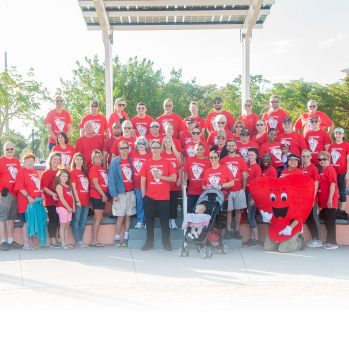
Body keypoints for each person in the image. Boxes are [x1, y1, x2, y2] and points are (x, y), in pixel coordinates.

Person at [140, 140, 177, 251]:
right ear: (151, 149)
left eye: (157, 147)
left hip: (164, 197)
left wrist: (161, 177)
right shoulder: (147, 163)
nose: (155, 149)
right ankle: (149, 243)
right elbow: (142, 181)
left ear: (161, 149)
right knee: (149, 221)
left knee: (164, 221)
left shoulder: (167, 162)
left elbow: (174, 178)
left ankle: (166, 243)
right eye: (153, 147)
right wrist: (143, 196)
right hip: (149, 197)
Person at [109, 141, 137, 248]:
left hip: (130, 192)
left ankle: (126, 238)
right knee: (120, 217)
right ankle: (117, 238)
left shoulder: (131, 160)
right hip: (120, 194)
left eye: (126, 148)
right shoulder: (115, 163)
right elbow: (111, 180)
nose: (124, 150)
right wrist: (113, 194)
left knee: (128, 216)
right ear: (119, 149)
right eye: (122, 148)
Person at [220, 139, 248, 240]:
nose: (231, 147)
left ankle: (236, 230)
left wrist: (243, 190)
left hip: (239, 189)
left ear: (236, 147)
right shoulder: (223, 160)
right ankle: (228, 231)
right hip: (228, 191)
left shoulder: (241, 160)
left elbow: (244, 175)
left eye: (233, 145)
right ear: (226, 147)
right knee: (228, 211)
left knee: (238, 210)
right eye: (229, 146)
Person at [15, 153, 43, 251]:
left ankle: (31, 243)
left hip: (35, 203)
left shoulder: (35, 172)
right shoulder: (21, 172)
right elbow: (20, 187)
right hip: (25, 203)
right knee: (26, 223)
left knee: (32, 223)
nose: (30, 163)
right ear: (24, 162)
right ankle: (25, 244)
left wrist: (40, 195)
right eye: (28, 161)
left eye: (32, 161)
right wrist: (28, 197)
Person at [0, 142, 22, 251]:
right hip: (4, 193)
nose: (9, 150)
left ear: (14, 150)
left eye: (11, 148)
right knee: (2, 218)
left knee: (11, 219)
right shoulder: (1, 161)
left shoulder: (16, 161)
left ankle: (10, 240)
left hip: (15, 193)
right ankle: (2, 241)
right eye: (7, 149)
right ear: (4, 150)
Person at [129, 137, 152, 229]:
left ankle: (148, 221)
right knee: (139, 202)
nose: (141, 145)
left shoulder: (150, 154)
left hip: (149, 184)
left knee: (148, 203)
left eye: (143, 144)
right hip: (137, 185)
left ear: (146, 145)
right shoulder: (132, 154)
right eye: (139, 143)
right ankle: (140, 221)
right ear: (136, 145)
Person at [300, 149, 322, 248]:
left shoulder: (313, 168)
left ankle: (318, 240)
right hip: (303, 198)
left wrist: (313, 196)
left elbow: (316, 183)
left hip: (311, 198)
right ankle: (314, 239)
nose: (305, 158)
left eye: (307, 156)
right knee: (308, 219)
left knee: (313, 217)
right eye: (304, 156)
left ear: (311, 157)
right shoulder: (300, 168)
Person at [161, 136, 183, 230]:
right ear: (163, 144)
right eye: (165, 142)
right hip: (165, 184)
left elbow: (180, 168)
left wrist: (180, 179)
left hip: (175, 183)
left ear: (172, 143)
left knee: (173, 202)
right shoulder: (161, 155)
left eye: (169, 142)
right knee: (165, 203)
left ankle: (173, 220)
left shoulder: (176, 155)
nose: (167, 144)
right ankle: (166, 221)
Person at [317, 151, 339, 249]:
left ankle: (333, 242)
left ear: (328, 159)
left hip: (329, 201)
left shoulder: (330, 169)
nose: (322, 161)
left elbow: (332, 185)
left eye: (324, 159)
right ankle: (328, 241)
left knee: (330, 223)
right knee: (326, 222)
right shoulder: (322, 171)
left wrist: (330, 199)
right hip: (324, 202)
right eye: (320, 159)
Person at [41, 151, 62, 248]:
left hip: (60, 201)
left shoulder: (60, 172)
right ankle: (53, 241)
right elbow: (44, 187)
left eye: (58, 159)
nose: (56, 161)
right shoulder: (46, 173)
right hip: (50, 201)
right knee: (54, 219)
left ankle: (59, 239)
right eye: (55, 159)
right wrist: (53, 193)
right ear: (51, 160)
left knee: (60, 220)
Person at [182, 143, 211, 213]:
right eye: (197, 149)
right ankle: (191, 224)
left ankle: (202, 224)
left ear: (204, 150)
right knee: (190, 211)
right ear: (194, 150)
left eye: (201, 149)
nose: (199, 151)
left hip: (204, 191)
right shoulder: (189, 160)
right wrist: (185, 181)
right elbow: (186, 173)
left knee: (202, 212)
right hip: (192, 191)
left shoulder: (208, 161)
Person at [88, 150, 109, 247]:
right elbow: (96, 184)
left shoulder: (103, 169)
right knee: (98, 217)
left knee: (97, 218)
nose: (98, 158)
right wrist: (103, 195)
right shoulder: (94, 168)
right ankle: (94, 240)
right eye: (96, 157)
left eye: (99, 157)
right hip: (97, 195)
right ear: (92, 159)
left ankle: (93, 240)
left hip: (102, 194)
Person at [70, 153, 90, 248]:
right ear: (74, 161)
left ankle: (80, 240)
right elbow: (73, 188)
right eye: (77, 159)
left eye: (80, 159)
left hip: (86, 201)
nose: (79, 161)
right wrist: (77, 200)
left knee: (83, 221)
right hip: (78, 201)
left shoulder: (85, 172)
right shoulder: (72, 172)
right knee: (76, 221)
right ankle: (78, 240)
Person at [328, 127, 349, 212]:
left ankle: (341, 210)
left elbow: (348, 160)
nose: (338, 135)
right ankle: (333, 209)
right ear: (334, 135)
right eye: (336, 134)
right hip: (333, 173)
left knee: (342, 192)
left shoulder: (346, 145)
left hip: (342, 172)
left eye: (340, 134)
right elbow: (328, 160)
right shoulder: (331, 146)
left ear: (343, 135)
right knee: (333, 192)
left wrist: (347, 173)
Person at [244, 148, 262, 247]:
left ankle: (257, 239)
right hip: (246, 192)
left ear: (256, 156)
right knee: (249, 216)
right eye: (248, 155)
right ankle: (252, 238)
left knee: (251, 216)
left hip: (252, 194)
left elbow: (258, 184)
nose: (250, 157)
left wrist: (253, 198)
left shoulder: (257, 167)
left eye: (252, 155)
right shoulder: (247, 165)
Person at [54, 169, 75, 250]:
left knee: (67, 226)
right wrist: (68, 207)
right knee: (62, 226)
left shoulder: (69, 186)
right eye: (63, 176)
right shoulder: (59, 186)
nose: (65, 178)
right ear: (59, 177)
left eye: (66, 176)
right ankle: (62, 243)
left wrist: (72, 207)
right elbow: (62, 199)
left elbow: (72, 197)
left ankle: (66, 242)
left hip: (69, 209)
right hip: (63, 208)